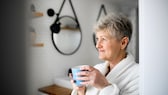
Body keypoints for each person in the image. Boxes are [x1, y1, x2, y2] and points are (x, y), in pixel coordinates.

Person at [69, 13, 139, 95]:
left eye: (104, 39)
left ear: (123, 43)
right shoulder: (97, 69)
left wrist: (105, 86)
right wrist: (81, 91)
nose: (97, 45)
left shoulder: (139, 75)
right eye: (97, 39)